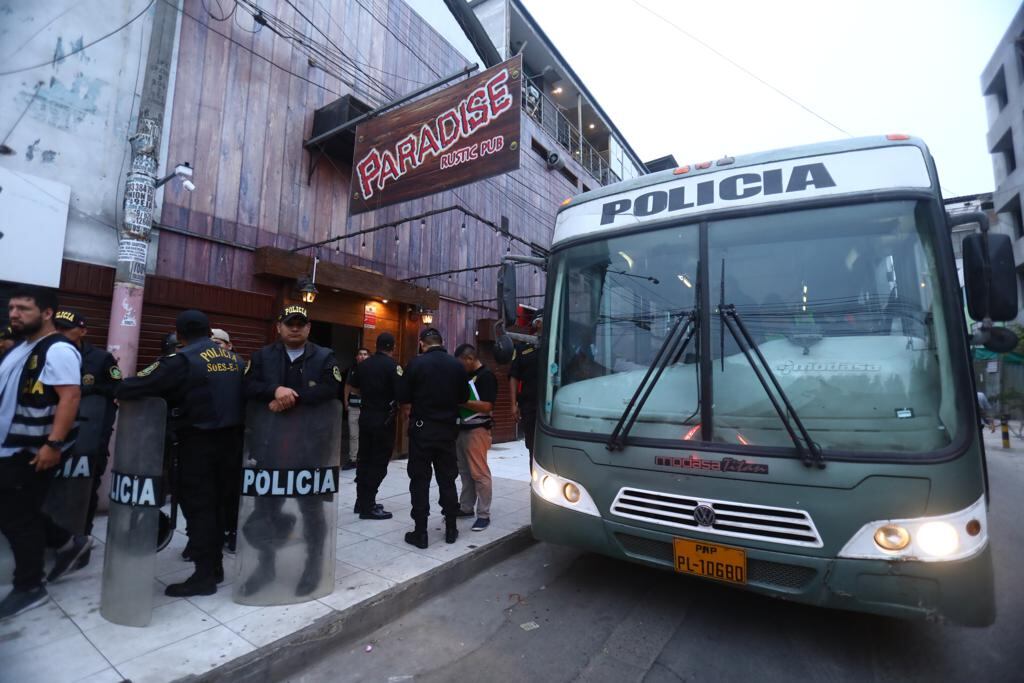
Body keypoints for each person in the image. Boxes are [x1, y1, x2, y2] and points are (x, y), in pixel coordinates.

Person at [117, 309, 244, 597]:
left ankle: (203, 575)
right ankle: (214, 566)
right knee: (218, 508)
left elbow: (134, 385)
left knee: (198, 509)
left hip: (197, 445)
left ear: (180, 335)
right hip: (231, 445)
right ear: (210, 331)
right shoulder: (235, 359)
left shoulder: (182, 360)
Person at [0, 287, 90, 621]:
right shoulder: (21, 348)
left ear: (47, 312)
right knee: (16, 511)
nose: (14, 314)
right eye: (11, 308)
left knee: (16, 515)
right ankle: (69, 543)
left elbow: (70, 398)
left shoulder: (58, 350)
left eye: (23, 308)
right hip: (10, 445)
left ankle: (29, 585)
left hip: (33, 449)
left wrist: (53, 444)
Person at [240, 304, 342, 597]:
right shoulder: (261, 357)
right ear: (279, 328)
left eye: (301, 324)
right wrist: (274, 391)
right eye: (289, 323)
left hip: (310, 450)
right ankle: (266, 566)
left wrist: (290, 398)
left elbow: (331, 389)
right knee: (265, 511)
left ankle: (313, 567)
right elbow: (247, 386)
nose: (295, 328)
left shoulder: (324, 357)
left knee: (312, 512)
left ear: (309, 328)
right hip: (271, 448)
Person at [53, 310, 121, 567]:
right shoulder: (47, 356)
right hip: (55, 437)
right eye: (56, 328)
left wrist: (88, 390)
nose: (60, 334)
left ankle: (81, 539)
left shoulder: (101, 359)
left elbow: (117, 386)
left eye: (66, 329)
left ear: (82, 330)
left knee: (87, 485)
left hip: (90, 435)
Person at [400, 327, 469, 549]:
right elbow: (463, 397)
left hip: (422, 431)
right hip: (447, 431)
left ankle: (421, 532)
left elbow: (404, 396)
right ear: (442, 342)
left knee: (419, 481)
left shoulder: (416, 364)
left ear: (422, 343)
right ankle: (451, 529)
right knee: (447, 479)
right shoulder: (457, 365)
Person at [349, 336, 400, 520]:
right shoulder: (393, 366)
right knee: (378, 463)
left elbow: (353, 388)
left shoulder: (364, 365)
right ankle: (368, 505)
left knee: (364, 460)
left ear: (376, 346)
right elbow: (401, 392)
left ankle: (360, 501)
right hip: (383, 419)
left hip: (366, 416)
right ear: (392, 347)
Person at [453, 344, 498, 532]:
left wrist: (462, 401)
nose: (460, 367)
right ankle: (466, 507)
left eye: (461, 363)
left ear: (469, 359)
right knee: (465, 472)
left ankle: (484, 514)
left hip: (477, 430)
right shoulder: (466, 375)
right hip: (461, 429)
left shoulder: (487, 376)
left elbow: (487, 406)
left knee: (479, 473)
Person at [210, 327, 243, 553]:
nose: (214, 348)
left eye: (218, 343)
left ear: (229, 346)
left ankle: (233, 531)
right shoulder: (196, 365)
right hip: (203, 438)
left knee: (231, 490)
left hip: (233, 438)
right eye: (209, 343)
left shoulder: (240, 367)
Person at [510, 316, 542, 460]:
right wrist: (513, 405)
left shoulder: (558, 344)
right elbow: (513, 377)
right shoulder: (523, 347)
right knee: (532, 446)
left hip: (554, 403)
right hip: (529, 404)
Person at [342, 347, 370, 471]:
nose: (363, 356)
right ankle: (353, 459)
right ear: (356, 357)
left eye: (365, 354)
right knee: (354, 435)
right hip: (353, 406)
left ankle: (365, 459)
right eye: (360, 354)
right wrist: (345, 400)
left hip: (367, 408)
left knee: (367, 435)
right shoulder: (352, 370)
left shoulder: (372, 369)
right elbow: (347, 386)